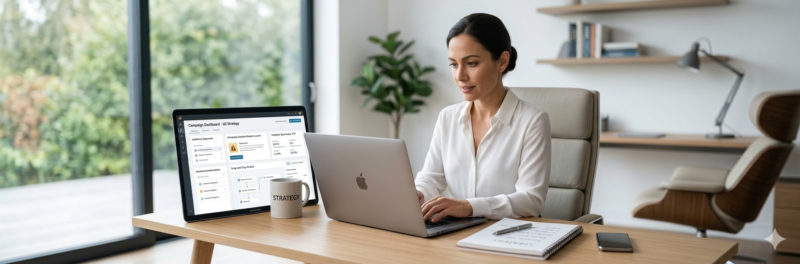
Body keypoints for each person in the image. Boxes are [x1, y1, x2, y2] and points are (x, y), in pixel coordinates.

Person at [415, 13, 551, 223]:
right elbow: (431, 178)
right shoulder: (448, 117)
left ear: (502, 61)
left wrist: (469, 207)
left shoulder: (532, 121)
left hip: (508, 236)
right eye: (453, 64)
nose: (460, 76)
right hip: (457, 233)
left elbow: (531, 200)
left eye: (471, 63)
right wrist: (419, 193)